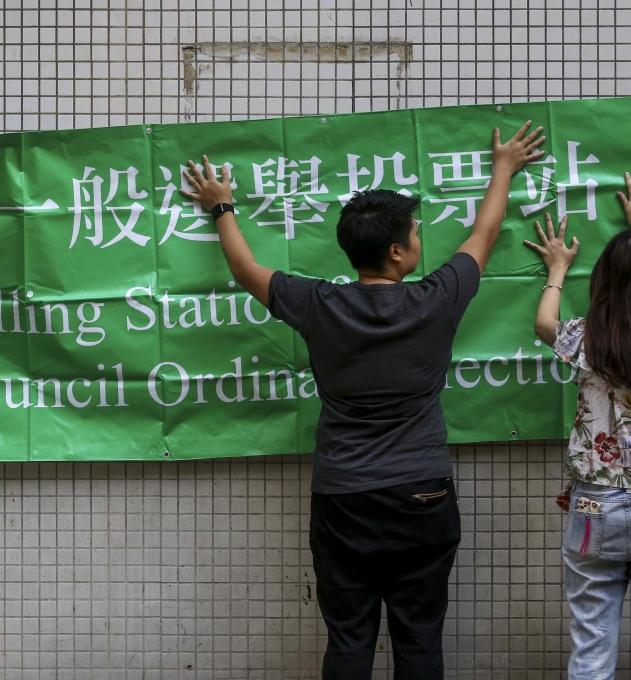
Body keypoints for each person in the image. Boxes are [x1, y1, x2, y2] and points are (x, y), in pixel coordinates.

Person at [179, 121, 545, 679]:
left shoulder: (318, 304)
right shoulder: (436, 299)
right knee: (419, 639)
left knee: (348, 640)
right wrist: (503, 168)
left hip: (343, 497)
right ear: (398, 251)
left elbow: (245, 270)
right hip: (422, 493)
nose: (423, 238)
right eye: (417, 231)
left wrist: (222, 207)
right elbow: (484, 235)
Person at [523, 175, 631, 680]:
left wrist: (557, 269)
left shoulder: (589, 337)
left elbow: (545, 325)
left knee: (592, 646)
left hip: (596, 505)